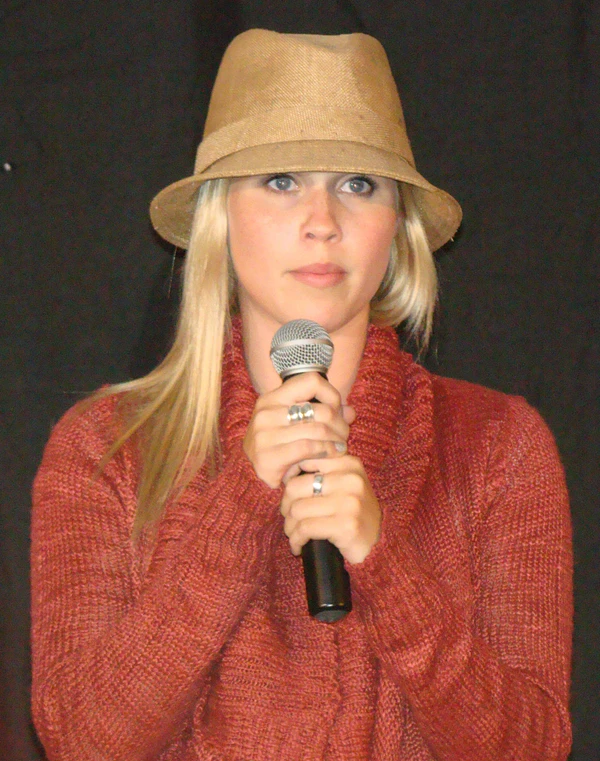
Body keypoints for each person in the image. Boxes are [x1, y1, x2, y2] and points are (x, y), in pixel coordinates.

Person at [30, 29, 573, 761]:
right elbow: (82, 739)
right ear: (220, 216)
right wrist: (241, 500)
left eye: (359, 185)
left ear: (398, 227)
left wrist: (384, 563)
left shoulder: (498, 444)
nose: (323, 223)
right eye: (282, 180)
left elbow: (531, 748)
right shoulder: (106, 445)